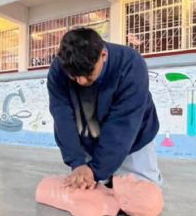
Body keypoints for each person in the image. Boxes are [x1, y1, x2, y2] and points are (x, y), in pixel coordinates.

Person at [47, 28, 162, 190]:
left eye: (88, 74)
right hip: (88, 139)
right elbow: (62, 117)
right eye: (74, 76)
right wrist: (77, 162)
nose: (80, 81)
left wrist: (96, 170)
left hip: (132, 140)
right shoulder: (58, 70)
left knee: (143, 201)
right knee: (92, 196)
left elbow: (123, 126)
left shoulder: (130, 64)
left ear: (103, 55)